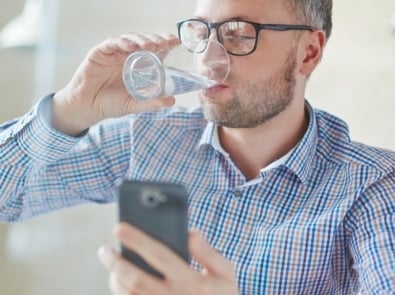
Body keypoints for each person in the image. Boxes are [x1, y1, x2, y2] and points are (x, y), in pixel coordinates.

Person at [0, 0, 394, 293]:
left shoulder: (372, 186)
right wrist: (71, 108)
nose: (208, 57)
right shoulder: (150, 138)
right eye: (201, 33)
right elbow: (7, 197)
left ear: (309, 52)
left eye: (238, 34)